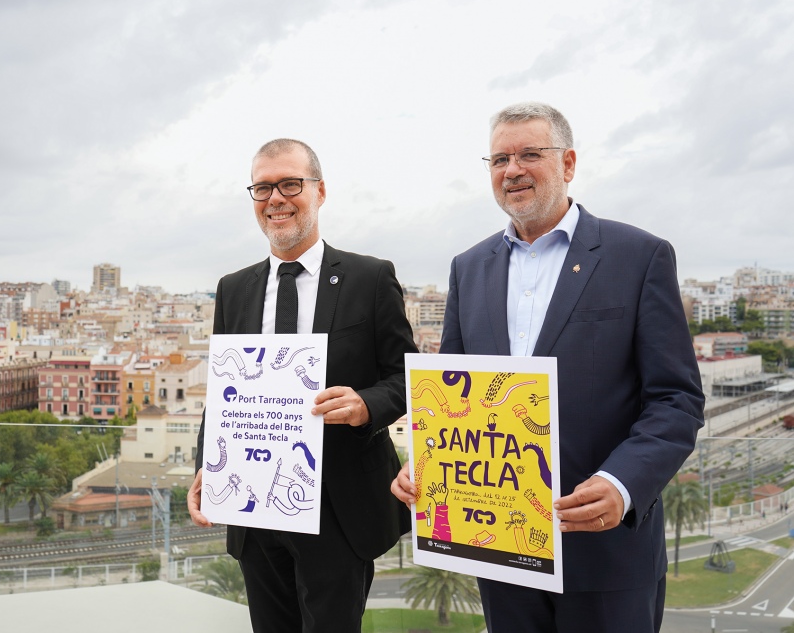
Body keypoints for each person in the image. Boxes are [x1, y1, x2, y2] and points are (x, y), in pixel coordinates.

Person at [391, 102, 705, 633]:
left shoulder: (639, 255)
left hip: (605, 551)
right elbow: (455, 396)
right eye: (499, 159)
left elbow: (677, 400)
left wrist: (622, 482)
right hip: (501, 552)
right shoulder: (469, 268)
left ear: (569, 163)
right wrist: (429, 459)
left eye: (530, 154)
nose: (512, 170)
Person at [189, 138, 417, 633]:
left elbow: (407, 377)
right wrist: (207, 463)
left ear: (320, 191)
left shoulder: (370, 277)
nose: (276, 198)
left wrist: (365, 405)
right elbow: (222, 388)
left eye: (291, 183)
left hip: (338, 505)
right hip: (253, 504)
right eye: (263, 187)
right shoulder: (234, 287)